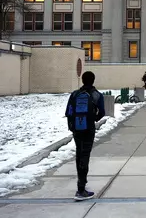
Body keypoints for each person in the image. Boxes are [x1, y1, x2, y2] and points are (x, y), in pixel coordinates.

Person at [65, 71, 105, 201]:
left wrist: (72, 125)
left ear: (82, 80)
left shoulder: (75, 94)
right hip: (89, 128)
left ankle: (81, 183)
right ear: (93, 81)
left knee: (79, 153)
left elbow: (69, 112)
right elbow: (102, 112)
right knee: (85, 155)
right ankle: (81, 188)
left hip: (77, 128)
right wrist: (93, 118)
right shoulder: (97, 95)